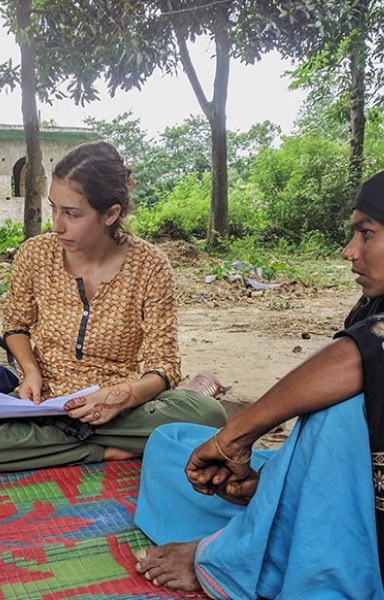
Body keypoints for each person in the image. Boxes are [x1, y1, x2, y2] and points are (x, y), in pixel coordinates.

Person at [133, 171, 384, 599]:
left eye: (366, 233)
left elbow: (356, 358)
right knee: (167, 444)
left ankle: (245, 556)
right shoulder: (372, 306)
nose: (349, 252)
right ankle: (267, 519)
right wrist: (267, 482)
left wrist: (235, 435)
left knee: (336, 413)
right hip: (332, 492)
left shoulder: (146, 264)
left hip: (358, 521)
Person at [0, 140, 226, 473]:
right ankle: (106, 450)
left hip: (122, 409)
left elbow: (163, 365)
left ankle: (71, 443)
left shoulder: (150, 266)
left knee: (208, 415)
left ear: (111, 214)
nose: (56, 225)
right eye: (53, 207)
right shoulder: (36, 255)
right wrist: (30, 371)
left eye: (71, 213)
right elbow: (16, 326)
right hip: (46, 403)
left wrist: (121, 397)